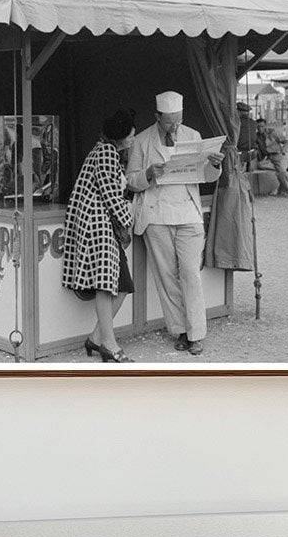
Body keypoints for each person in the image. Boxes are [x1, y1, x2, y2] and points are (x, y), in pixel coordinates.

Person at [126, 91, 224, 356]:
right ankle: (180, 330)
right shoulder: (142, 141)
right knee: (167, 276)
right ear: (157, 117)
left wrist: (215, 166)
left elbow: (207, 176)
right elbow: (131, 181)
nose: (174, 127)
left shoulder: (193, 136)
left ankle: (197, 334)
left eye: (178, 121)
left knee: (191, 274)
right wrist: (147, 173)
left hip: (188, 214)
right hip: (156, 216)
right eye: (169, 122)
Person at [62, 108, 137, 363]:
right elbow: (111, 195)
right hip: (100, 227)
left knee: (123, 285)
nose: (134, 136)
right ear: (124, 135)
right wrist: (128, 222)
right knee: (108, 287)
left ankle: (95, 338)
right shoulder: (107, 153)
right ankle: (109, 344)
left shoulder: (102, 150)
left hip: (97, 226)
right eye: (131, 132)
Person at [259, 116, 288, 197]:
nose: (260, 128)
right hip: (266, 158)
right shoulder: (258, 136)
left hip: (276, 156)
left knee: (281, 171)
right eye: (258, 127)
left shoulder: (273, 133)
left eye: (262, 126)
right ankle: (287, 167)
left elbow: (287, 141)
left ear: (265, 126)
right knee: (260, 165)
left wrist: (283, 150)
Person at [236, 102, 260, 169]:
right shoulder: (254, 123)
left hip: (240, 154)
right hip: (253, 154)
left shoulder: (236, 123)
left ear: (238, 111)